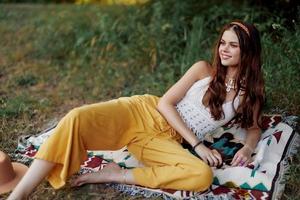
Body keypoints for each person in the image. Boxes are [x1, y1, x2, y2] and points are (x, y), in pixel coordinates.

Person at [8, 20, 265, 199]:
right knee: (76, 117)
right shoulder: (203, 70)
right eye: (223, 42)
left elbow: (254, 127)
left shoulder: (248, 95)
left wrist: (248, 147)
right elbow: (165, 103)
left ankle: (118, 174)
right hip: (143, 110)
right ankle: (20, 194)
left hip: (163, 139)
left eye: (233, 45)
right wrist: (198, 145)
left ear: (248, 51)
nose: (224, 49)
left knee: (201, 176)